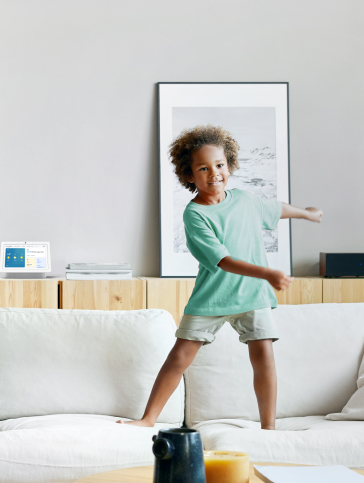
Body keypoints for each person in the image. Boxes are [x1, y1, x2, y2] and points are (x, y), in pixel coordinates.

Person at [119, 124, 323, 430]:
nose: (214, 173)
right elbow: (223, 260)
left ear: (229, 166)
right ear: (189, 175)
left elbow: (276, 208)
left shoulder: (244, 199)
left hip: (252, 296)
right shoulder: (195, 215)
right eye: (203, 168)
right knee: (179, 357)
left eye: (220, 165)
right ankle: (148, 419)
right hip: (212, 297)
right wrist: (267, 273)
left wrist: (307, 212)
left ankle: (269, 427)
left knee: (264, 356)